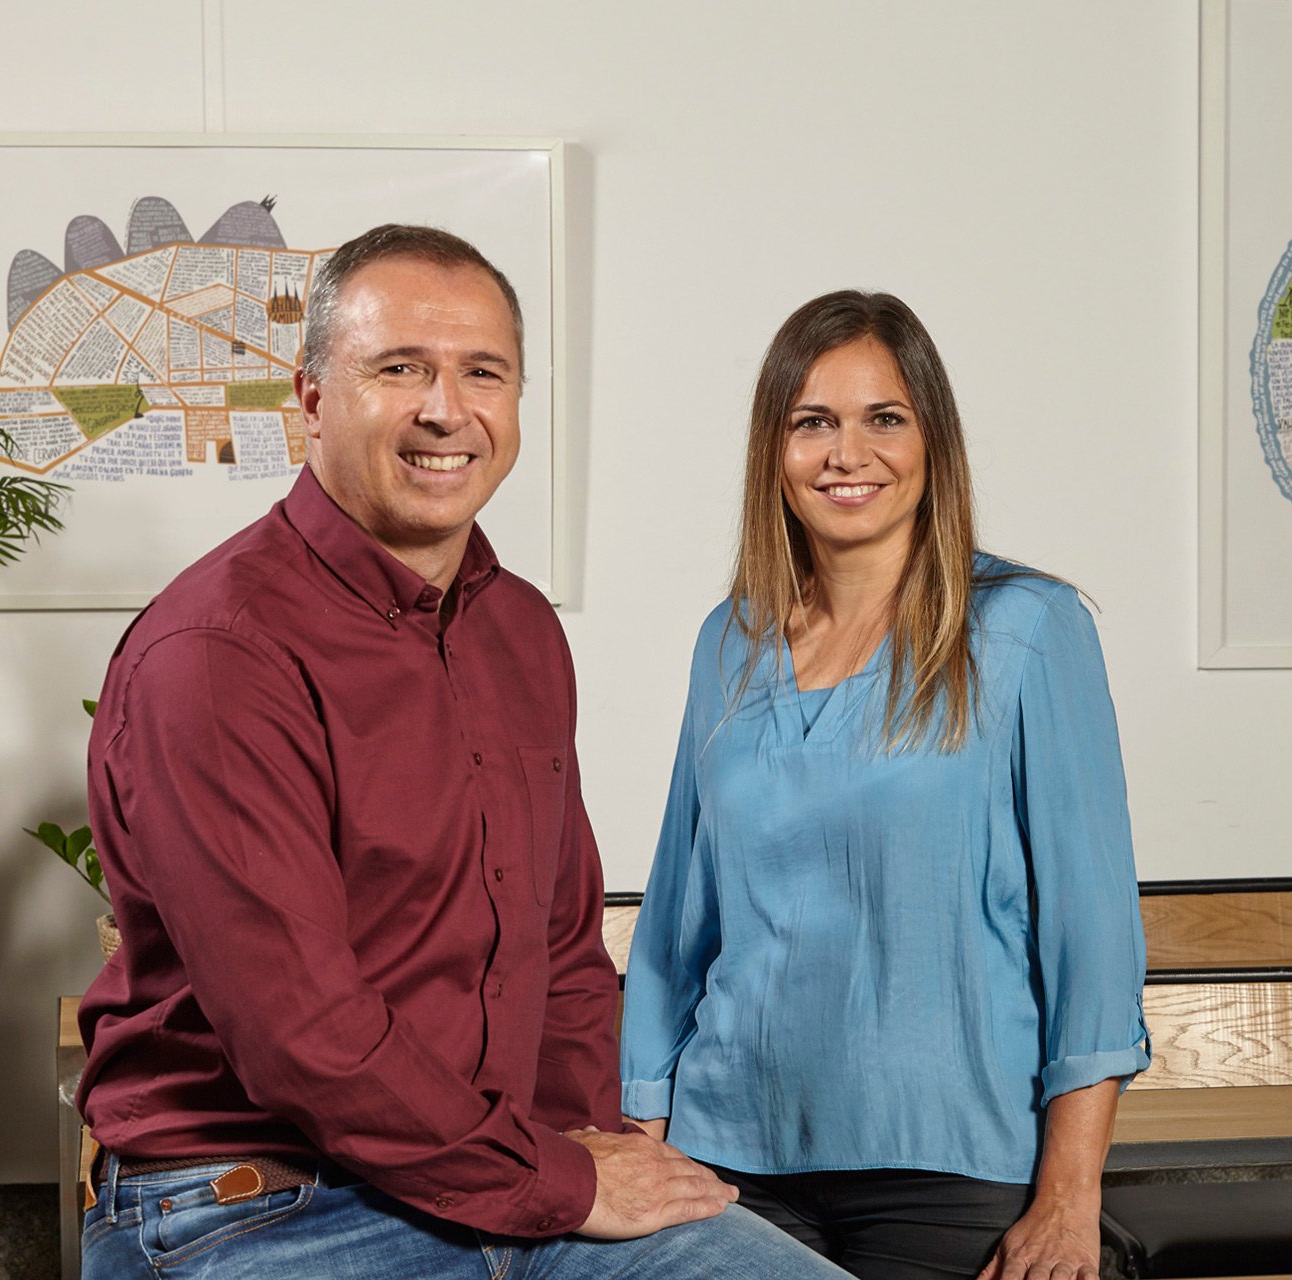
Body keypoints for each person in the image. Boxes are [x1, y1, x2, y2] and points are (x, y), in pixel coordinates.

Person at [74, 224, 847, 1280]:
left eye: (481, 371)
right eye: (400, 369)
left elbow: (564, 951)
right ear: (310, 400)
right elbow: (301, 1026)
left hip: (508, 1177)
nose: (446, 408)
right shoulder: (216, 654)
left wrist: (586, 1156)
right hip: (259, 1203)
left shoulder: (519, 631)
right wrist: (566, 1184)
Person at [621, 290, 1150, 1280]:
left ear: (932, 442)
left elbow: (1093, 935)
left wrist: (1072, 1196)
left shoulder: (1030, 628)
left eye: (884, 419)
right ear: (773, 452)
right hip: (727, 1156)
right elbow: (674, 920)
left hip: (948, 1156)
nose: (845, 453)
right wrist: (645, 1121)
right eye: (811, 421)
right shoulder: (727, 641)